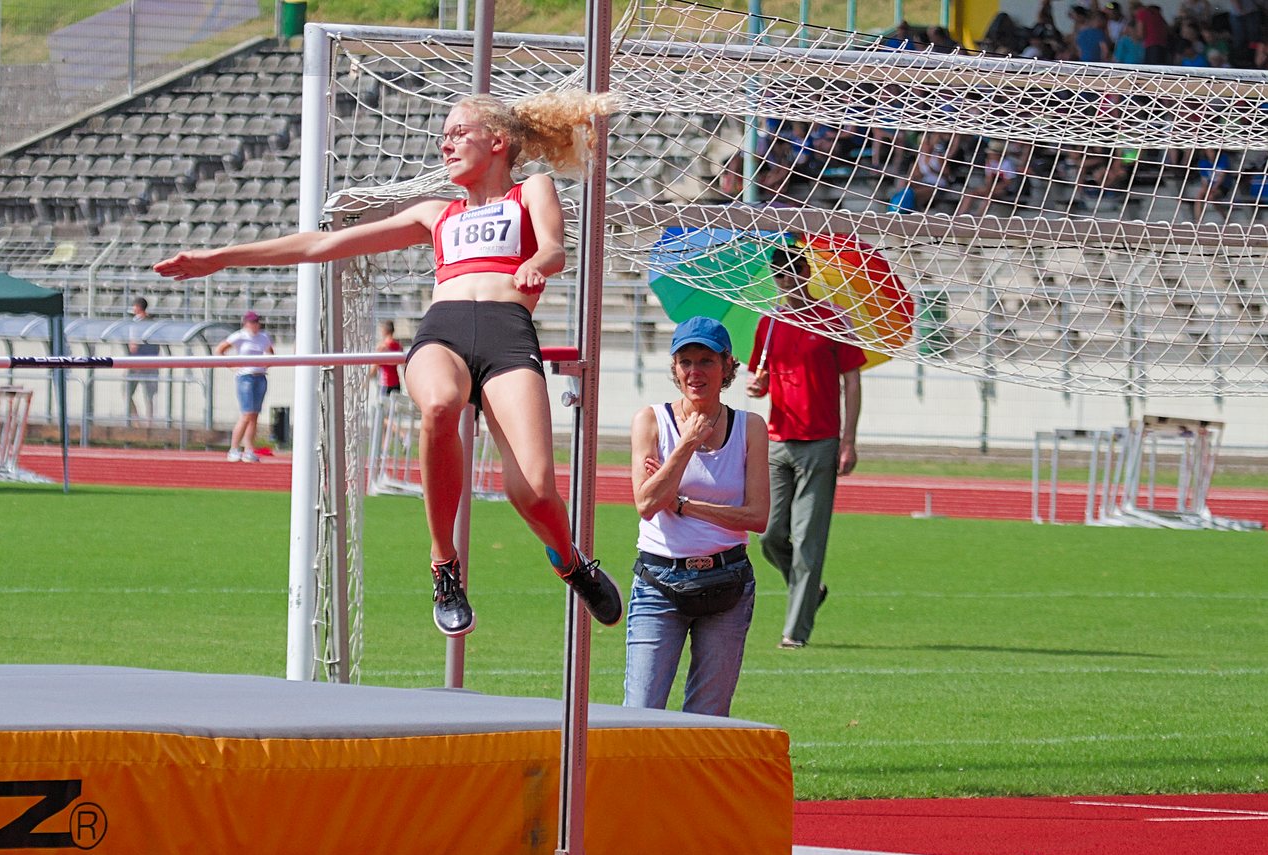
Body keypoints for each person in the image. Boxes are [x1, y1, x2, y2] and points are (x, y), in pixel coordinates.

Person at [155, 91, 623, 637]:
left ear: (497, 142)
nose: (446, 144)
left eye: (458, 133)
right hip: (443, 332)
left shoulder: (531, 190)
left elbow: (555, 248)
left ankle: (569, 561)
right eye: (443, 136)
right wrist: (219, 258)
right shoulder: (435, 213)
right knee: (440, 405)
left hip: (508, 334)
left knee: (536, 493)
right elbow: (322, 246)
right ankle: (444, 564)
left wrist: (538, 262)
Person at [624, 317, 769, 716]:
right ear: (674, 368)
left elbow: (757, 517)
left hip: (727, 582)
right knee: (640, 713)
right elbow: (647, 503)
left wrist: (684, 505)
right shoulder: (651, 420)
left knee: (708, 720)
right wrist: (686, 443)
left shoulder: (750, 427)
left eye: (706, 361)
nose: (695, 371)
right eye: (685, 361)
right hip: (660, 582)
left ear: (727, 366)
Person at [745, 248, 865, 650]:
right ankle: (810, 591)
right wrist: (757, 386)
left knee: (808, 539)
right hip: (778, 441)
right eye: (778, 274)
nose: (784, 280)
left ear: (805, 272)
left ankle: (795, 632)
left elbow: (852, 381)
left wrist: (848, 440)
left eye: (790, 271)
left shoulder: (834, 320)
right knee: (769, 535)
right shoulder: (769, 324)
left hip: (820, 442)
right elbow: (761, 379)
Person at [216, 311, 274, 463]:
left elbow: (271, 354)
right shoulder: (239, 336)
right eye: (252, 322)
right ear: (246, 323)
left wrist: (265, 364)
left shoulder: (264, 336)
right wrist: (232, 366)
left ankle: (249, 450)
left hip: (260, 377)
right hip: (245, 377)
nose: (255, 324)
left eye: (257, 322)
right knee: (246, 414)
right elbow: (220, 350)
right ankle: (234, 448)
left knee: (254, 416)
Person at [125, 298, 160, 426]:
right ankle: (149, 422)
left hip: (137, 363)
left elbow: (133, 346)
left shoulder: (136, 324)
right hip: (151, 363)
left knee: (128, 392)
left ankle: (137, 422)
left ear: (138, 307)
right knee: (149, 395)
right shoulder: (153, 324)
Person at [376, 319, 402, 396]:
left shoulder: (382, 347)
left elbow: (375, 366)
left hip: (385, 383)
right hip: (396, 382)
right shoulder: (398, 346)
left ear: (385, 330)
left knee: (383, 403)